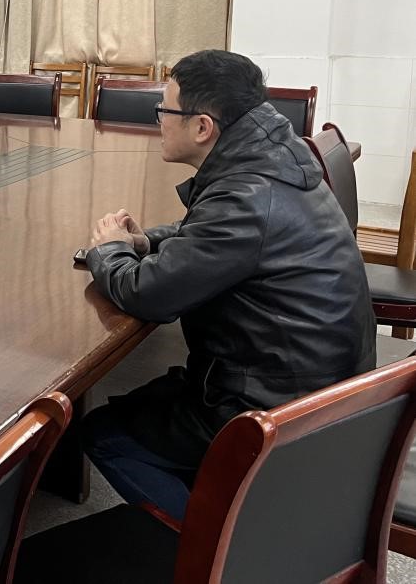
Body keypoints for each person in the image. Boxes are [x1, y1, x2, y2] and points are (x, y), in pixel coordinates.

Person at [81, 49, 375, 521]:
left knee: (105, 434)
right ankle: (228, 500)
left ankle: (222, 545)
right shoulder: (276, 157)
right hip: (319, 384)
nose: (159, 120)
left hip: (273, 409)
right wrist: (145, 241)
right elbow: (211, 232)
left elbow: (148, 294)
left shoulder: (245, 197)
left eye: (164, 110)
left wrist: (108, 251)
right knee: (150, 402)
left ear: (202, 127)